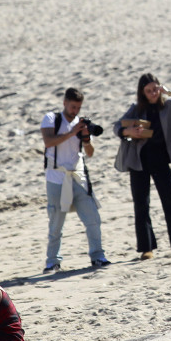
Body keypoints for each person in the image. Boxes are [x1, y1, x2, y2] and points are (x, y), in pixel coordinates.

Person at [113, 74, 171, 259]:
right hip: (139, 161)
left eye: (155, 89)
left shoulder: (169, 106)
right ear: (142, 93)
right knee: (142, 205)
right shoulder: (136, 109)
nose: (153, 93)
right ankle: (147, 249)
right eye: (149, 91)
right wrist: (128, 131)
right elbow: (117, 127)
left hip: (161, 159)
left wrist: (169, 92)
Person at [40, 87, 110, 273]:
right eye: (72, 107)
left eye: (78, 107)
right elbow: (48, 142)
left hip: (78, 176)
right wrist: (72, 132)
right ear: (64, 103)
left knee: (93, 219)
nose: (75, 111)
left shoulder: (81, 123)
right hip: (56, 177)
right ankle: (52, 261)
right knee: (56, 221)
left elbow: (90, 153)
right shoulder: (51, 119)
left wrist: (86, 138)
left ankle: (98, 257)